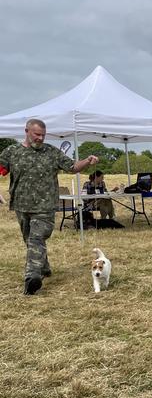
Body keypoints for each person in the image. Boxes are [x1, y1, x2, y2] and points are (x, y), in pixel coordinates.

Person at [0, 118, 100, 294]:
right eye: (37, 134)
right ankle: (44, 268)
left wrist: (87, 161)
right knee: (29, 240)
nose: (40, 138)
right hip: (21, 205)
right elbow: (1, 169)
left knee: (36, 239)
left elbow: (72, 167)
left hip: (45, 206)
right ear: (27, 131)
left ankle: (32, 278)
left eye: (43, 135)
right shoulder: (12, 152)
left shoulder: (51, 152)